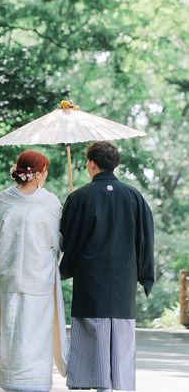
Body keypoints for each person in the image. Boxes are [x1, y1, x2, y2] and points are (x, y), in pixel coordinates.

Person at [60, 141, 155, 392]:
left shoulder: (80, 196)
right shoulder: (134, 196)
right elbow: (145, 239)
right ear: (115, 164)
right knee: (122, 332)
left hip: (90, 277)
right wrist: (144, 272)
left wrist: (64, 268)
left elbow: (67, 239)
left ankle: (95, 382)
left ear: (92, 163)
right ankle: (117, 385)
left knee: (93, 328)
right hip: (124, 277)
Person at [0, 150, 67, 392]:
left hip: (7, 276)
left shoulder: (4, 200)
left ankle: (10, 380)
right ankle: (35, 382)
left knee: (10, 329)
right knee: (37, 333)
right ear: (38, 174)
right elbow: (60, 242)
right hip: (40, 278)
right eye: (45, 171)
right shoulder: (50, 203)